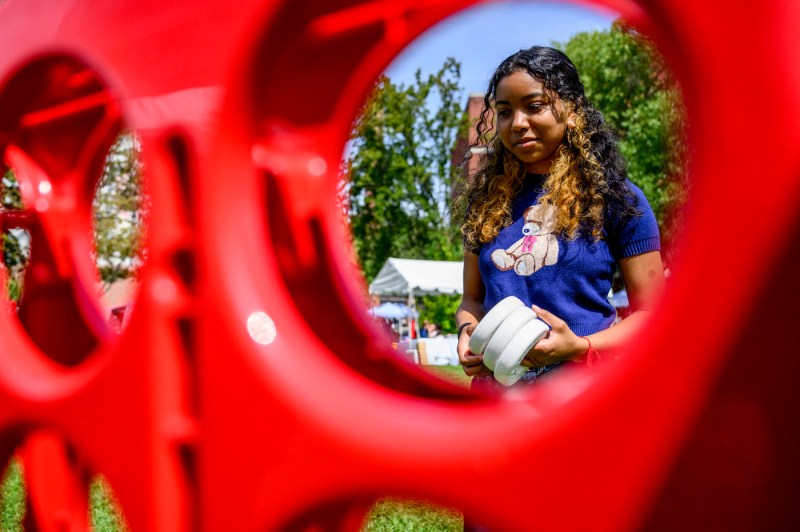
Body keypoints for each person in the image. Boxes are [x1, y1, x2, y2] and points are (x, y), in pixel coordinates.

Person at [454, 46, 665, 388]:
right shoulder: (485, 202)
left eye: (534, 106)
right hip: (497, 390)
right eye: (505, 111)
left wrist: (580, 347)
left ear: (573, 111)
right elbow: (472, 300)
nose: (518, 123)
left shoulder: (618, 199)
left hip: (583, 389)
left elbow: (653, 314)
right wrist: (468, 331)